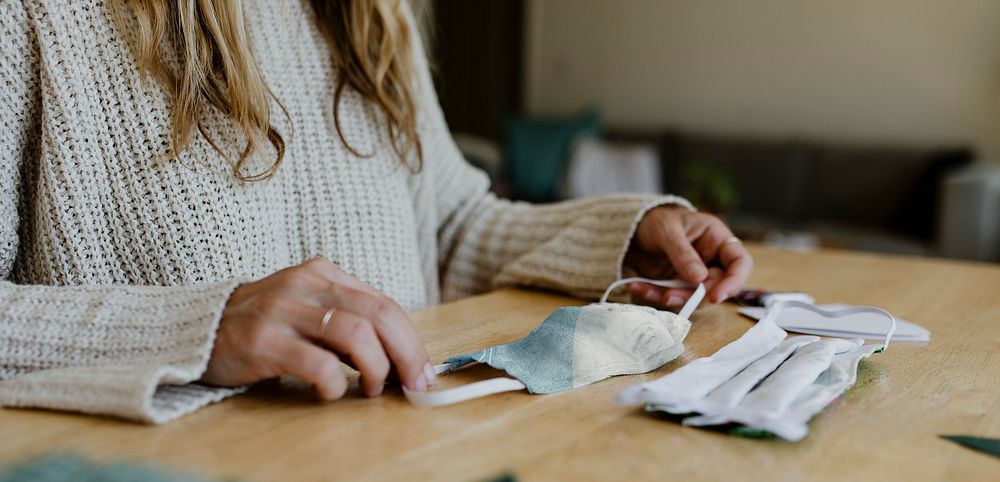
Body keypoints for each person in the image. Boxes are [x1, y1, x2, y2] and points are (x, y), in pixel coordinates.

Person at [0, 0, 752, 423]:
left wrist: (614, 241)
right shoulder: (37, 19)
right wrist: (200, 330)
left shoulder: (373, 14)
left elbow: (449, 227)